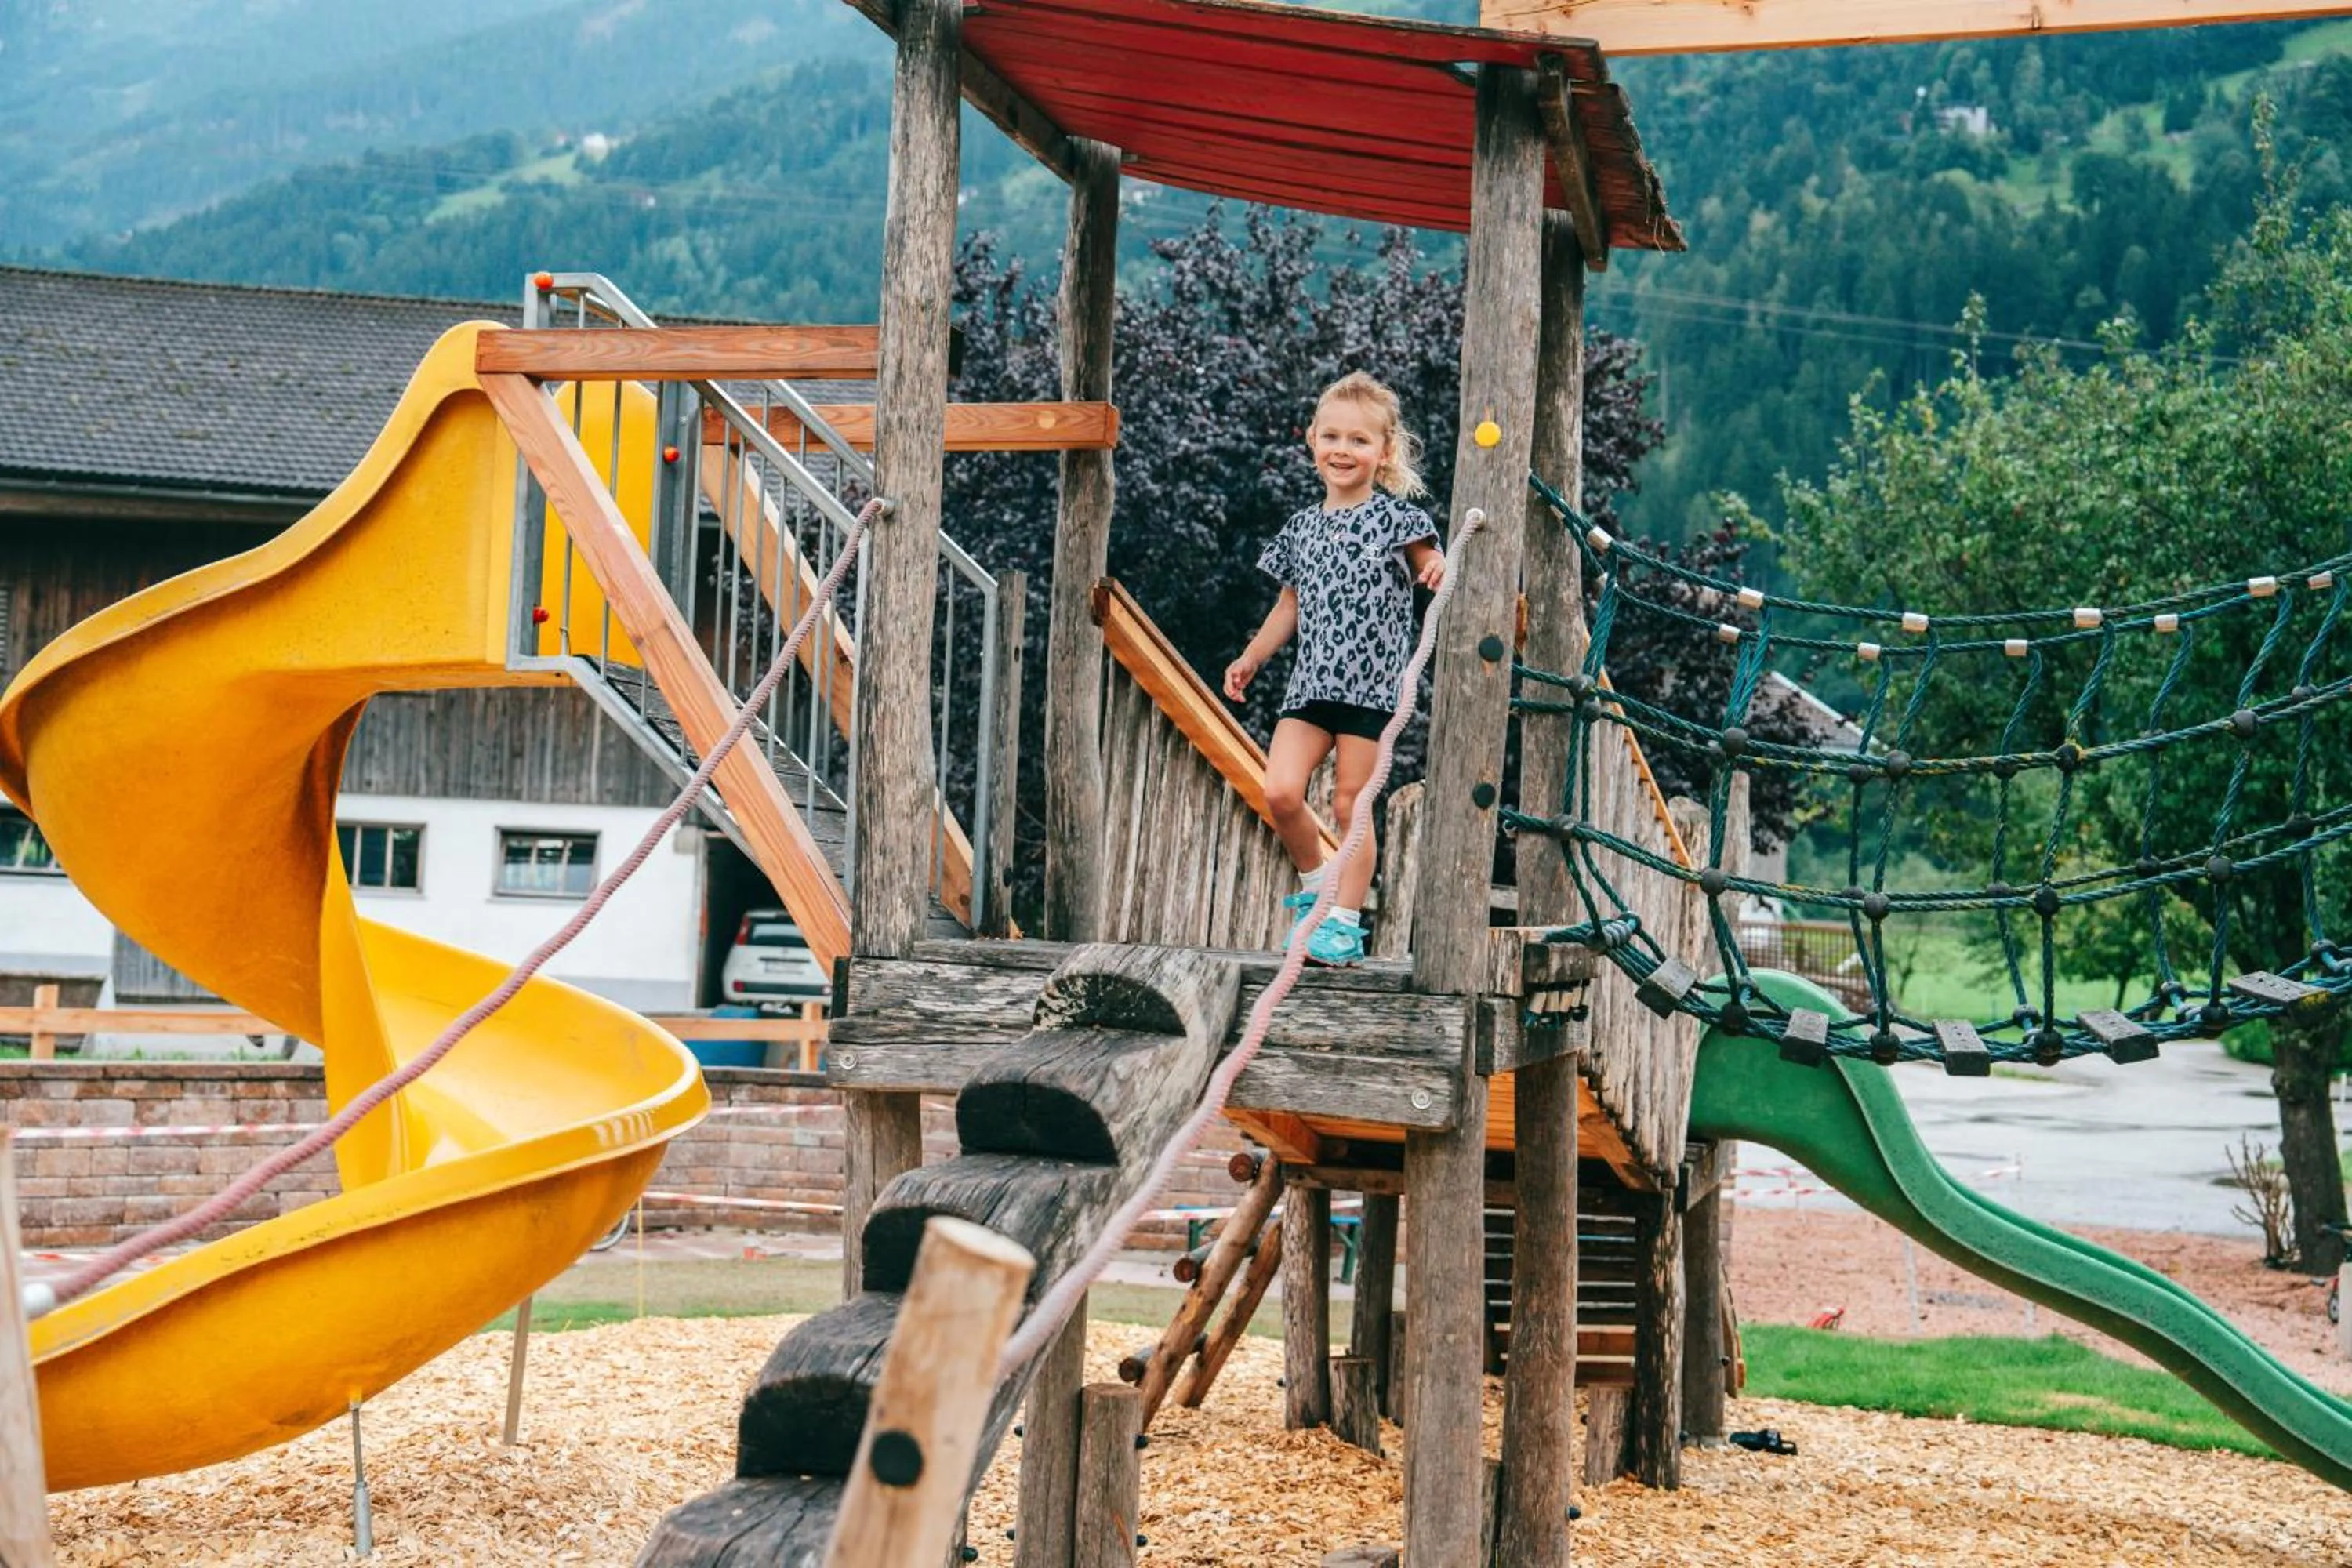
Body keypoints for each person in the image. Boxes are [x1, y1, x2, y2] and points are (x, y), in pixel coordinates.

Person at [1222, 371, 1444, 966]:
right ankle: (1319, 885)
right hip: (1311, 688)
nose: (1343, 450)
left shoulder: (1398, 520)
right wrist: (1251, 657)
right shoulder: (1301, 528)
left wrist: (1438, 567)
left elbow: (1432, 559)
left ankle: (1345, 923)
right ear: (1312, 441)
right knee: (1280, 791)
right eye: (1332, 437)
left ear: (1384, 452)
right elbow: (1288, 606)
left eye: (1359, 441)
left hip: (1372, 691)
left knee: (1351, 805)